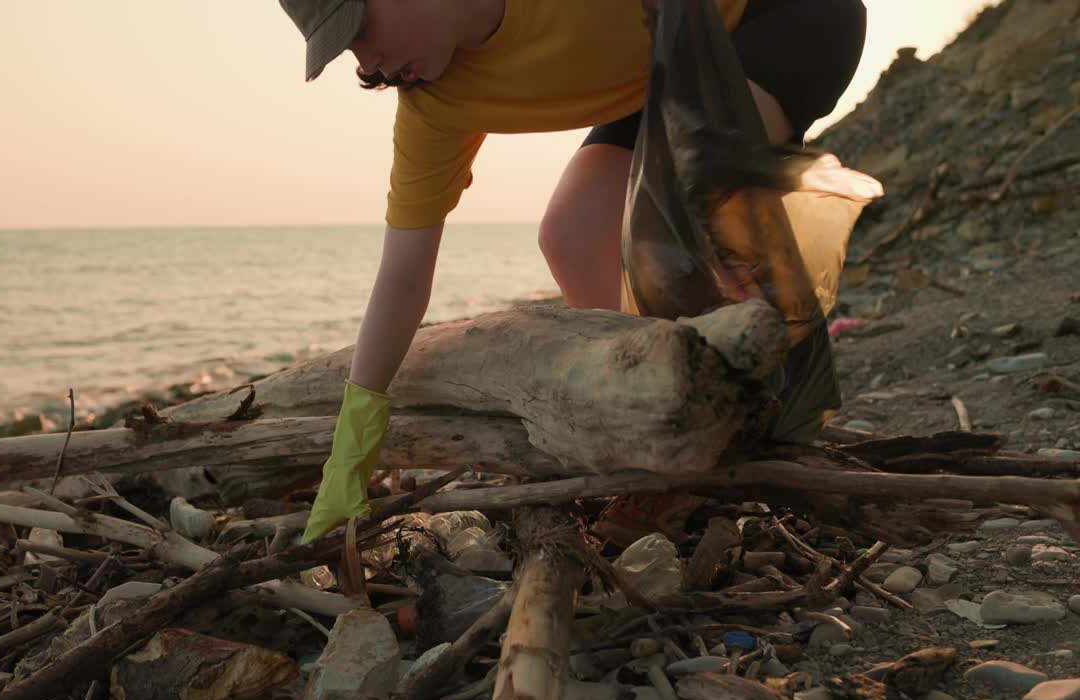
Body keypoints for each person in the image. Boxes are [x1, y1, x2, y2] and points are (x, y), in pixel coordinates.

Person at [279, 0, 869, 542]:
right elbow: (403, 274)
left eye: (359, 29)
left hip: (785, 16)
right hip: (661, 74)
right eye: (344, 50)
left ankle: (740, 423)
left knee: (669, 207)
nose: (365, 59)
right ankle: (661, 419)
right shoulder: (435, 104)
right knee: (572, 232)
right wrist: (352, 448)